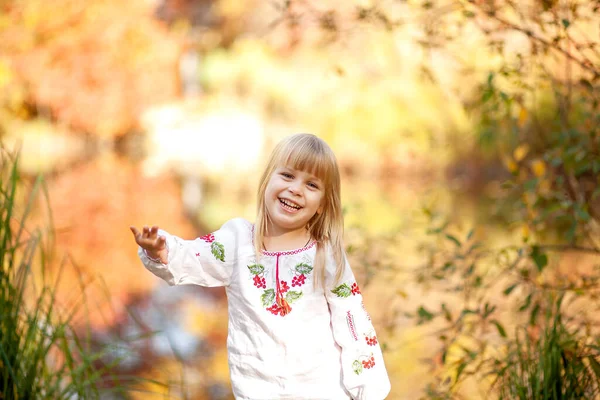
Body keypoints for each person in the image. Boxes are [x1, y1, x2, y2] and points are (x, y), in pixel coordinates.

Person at [130, 133, 391, 399]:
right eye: (287, 176)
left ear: (322, 205)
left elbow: (352, 321)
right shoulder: (237, 242)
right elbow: (193, 255)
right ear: (267, 181)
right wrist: (161, 249)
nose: (296, 189)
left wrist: (367, 390)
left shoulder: (326, 254)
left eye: (311, 184)